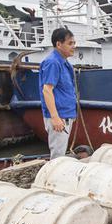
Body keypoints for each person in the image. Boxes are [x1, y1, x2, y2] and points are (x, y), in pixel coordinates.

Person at [39, 28, 77, 159]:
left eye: (74, 43)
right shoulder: (53, 63)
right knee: (57, 156)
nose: (73, 46)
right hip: (59, 116)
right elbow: (47, 90)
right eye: (70, 43)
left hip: (66, 114)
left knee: (61, 152)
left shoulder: (64, 63)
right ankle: (53, 178)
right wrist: (55, 118)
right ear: (59, 44)